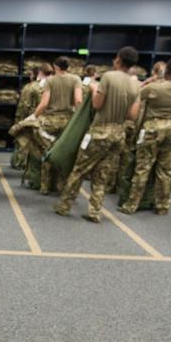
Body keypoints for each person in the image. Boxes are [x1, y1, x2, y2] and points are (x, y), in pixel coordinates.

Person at [54, 47, 140, 222]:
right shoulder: (136, 85)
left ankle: (64, 205)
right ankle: (95, 211)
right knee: (103, 173)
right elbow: (132, 115)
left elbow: (97, 104)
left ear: (118, 59)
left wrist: (94, 89)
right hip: (118, 134)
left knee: (79, 169)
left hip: (99, 132)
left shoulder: (108, 77)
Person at [118, 57, 171, 215]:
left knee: (143, 168)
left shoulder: (154, 88)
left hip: (152, 128)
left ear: (166, 70)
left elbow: (138, 93)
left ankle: (132, 204)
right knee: (165, 170)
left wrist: (150, 80)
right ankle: (162, 206)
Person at [33, 56, 83, 194]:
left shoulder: (50, 81)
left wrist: (33, 116)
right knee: (65, 155)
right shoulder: (76, 79)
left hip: (50, 121)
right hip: (68, 122)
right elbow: (78, 101)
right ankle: (61, 186)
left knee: (48, 153)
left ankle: (45, 186)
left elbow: (44, 104)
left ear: (55, 66)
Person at [11, 62, 53, 170]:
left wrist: (19, 122)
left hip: (33, 120)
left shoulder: (31, 87)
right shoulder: (55, 84)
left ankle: (25, 164)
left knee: (30, 145)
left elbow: (23, 106)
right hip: (51, 120)